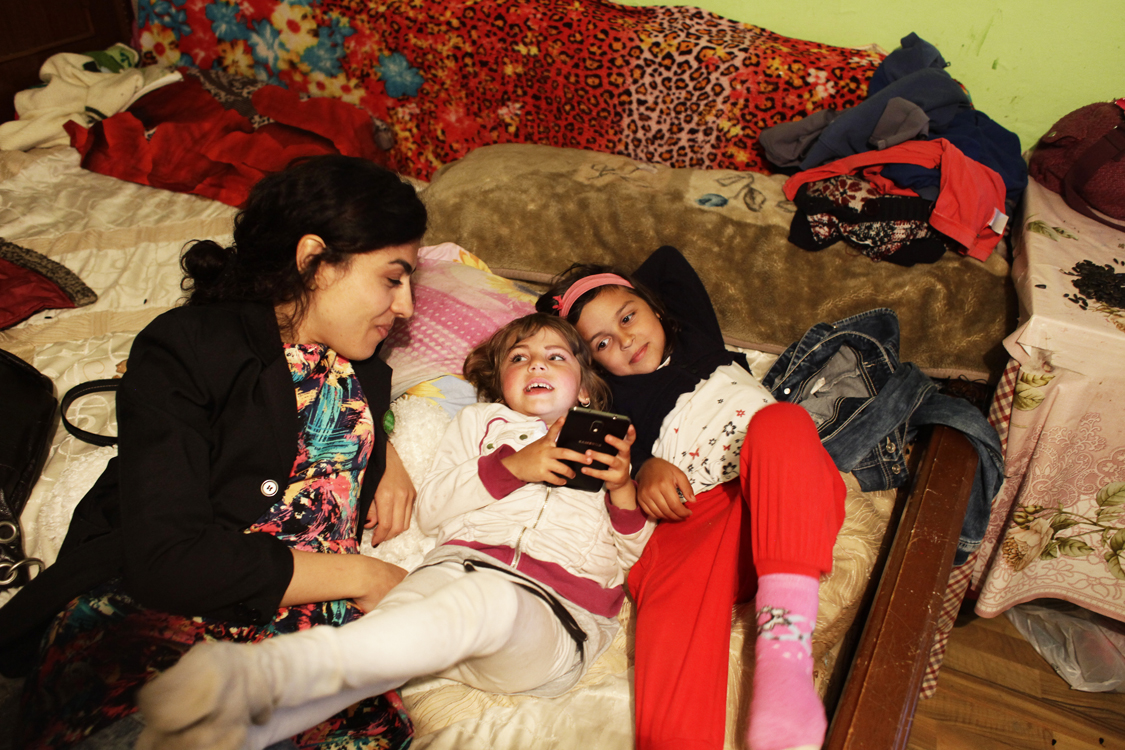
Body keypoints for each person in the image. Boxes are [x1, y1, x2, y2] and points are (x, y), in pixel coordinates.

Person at [0, 155, 428, 749]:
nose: (406, 307)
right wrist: (363, 573)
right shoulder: (190, 347)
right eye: (392, 277)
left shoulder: (363, 373)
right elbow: (172, 561)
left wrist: (386, 452)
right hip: (167, 639)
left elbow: (329, 442)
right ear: (314, 261)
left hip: (316, 666)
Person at [134, 313, 655, 750]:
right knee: (400, 629)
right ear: (500, 382)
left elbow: (637, 556)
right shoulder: (479, 424)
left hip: (553, 618)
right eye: (518, 357)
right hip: (450, 576)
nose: (536, 363)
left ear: (585, 388)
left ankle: (273, 672)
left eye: (555, 357)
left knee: (481, 604)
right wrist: (514, 465)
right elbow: (432, 508)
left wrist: (624, 491)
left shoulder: (614, 449)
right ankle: (232, 732)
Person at [536, 245, 848, 750]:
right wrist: (646, 468)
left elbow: (666, 262)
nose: (625, 339)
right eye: (603, 342)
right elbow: (608, 470)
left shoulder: (698, 340)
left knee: (784, 422)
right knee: (664, 583)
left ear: (655, 307)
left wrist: (583, 292)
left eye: (629, 316)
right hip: (700, 516)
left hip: (785, 501)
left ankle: (782, 665)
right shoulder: (617, 401)